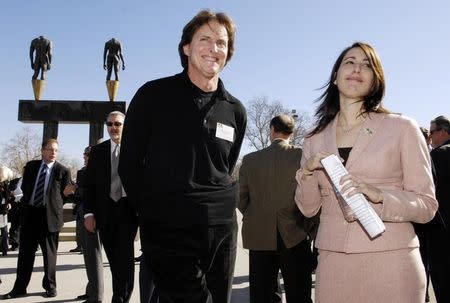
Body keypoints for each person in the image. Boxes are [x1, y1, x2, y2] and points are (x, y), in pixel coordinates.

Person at [294, 42, 438, 303]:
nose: (357, 68)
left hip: (392, 262)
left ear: (376, 80)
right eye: (349, 61)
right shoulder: (313, 140)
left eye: (367, 64)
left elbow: (427, 205)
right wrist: (305, 174)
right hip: (332, 264)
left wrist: (379, 195)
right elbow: (307, 209)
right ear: (335, 77)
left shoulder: (403, 128)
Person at [119, 9, 246, 303]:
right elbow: (129, 165)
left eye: (222, 42)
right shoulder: (152, 96)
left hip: (222, 231)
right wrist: (152, 218)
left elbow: (224, 167)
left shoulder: (235, 110)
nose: (214, 48)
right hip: (168, 230)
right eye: (205, 39)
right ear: (186, 47)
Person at [238, 114, 316, 303]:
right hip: (295, 233)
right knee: (299, 293)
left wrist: (258, 215)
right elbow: (312, 195)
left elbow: (241, 199)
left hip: (259, 235)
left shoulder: (250, 160)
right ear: (292, 132)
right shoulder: (302, 156)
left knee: (262, 293)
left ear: (271, 130)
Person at [2, 138, 71, 299]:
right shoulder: (32, 167)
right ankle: (19, 288)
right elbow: (25, 188)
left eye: (56, 150)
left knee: (49, 255)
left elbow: (65, 196)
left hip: (49, 218)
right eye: (50, 149)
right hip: (30, 216)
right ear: (42, 150)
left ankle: (50, 287)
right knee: (25, 254)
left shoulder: (63, 170)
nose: (53, 152)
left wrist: (53, 205)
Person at [84, 111, 138, 303]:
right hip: (104, 212)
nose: (113, 128)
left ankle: (121, 297)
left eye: (117, 124)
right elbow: (89, 185)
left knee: (124, 255)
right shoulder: (97, 152)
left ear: (125, 125)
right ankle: (120, 292)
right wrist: (88, 213)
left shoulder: (136, 149)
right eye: (110, 124)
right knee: (114, 258)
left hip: (128, 210)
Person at [65, 146, 104, 303]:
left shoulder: (101, 170)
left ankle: (96, 297)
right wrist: (70, 192)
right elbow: (80, 197)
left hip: (94, 218)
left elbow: (94, 193)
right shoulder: (81, 172)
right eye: (84, 154)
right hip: (82, 216)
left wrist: (76, 189)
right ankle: (90, 291)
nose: (85, 157)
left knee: (94, 258)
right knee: (88, 258)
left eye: (88, 154)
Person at [427, 115, 450, 302]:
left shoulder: (438, 155)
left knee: (442, 280)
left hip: (440, 229)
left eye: (432, 132)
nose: (430, 137)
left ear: (443, 132)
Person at [0, 166, 14, 256]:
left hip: (3, 210)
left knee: (4, 231)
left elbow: (7, 196)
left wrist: (9, 202)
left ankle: (4, 249)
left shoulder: (5, 184)